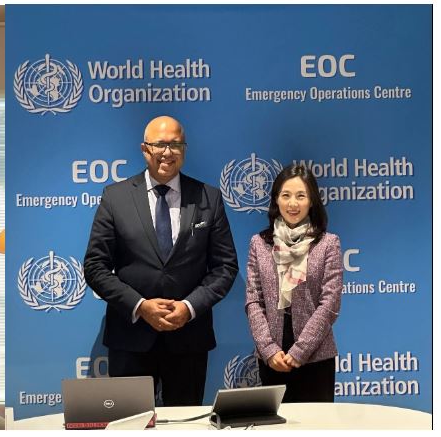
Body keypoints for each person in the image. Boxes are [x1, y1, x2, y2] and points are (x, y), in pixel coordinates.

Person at [83, 115, 238, 406]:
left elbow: (225, 267)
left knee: (186, 424)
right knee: (131, 422)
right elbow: (95, 266)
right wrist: (140, 306)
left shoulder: (209, 197)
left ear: (184, 149)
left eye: (175, 144)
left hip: (189, 339)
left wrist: (189, 307)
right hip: (130, 339)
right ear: (145, 149)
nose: (168, 152)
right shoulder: (115, 197)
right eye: (160, 144)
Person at [244, 164, 340, 402]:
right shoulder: (259, 243)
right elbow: (254, 300)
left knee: (316, 422)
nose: (292, 204)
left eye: (301, 196)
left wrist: (300, 351)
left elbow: (330, 304)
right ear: (276, 200)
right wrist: (268, 349)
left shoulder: (328, 243)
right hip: (272, 358)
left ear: (312, 201)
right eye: (286, 195)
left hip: (316, 357)